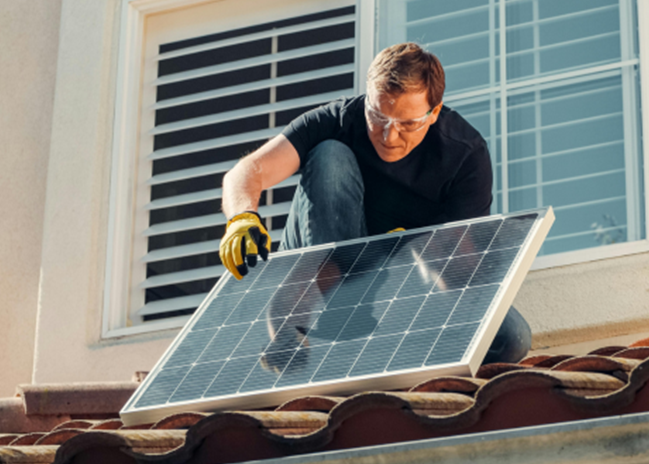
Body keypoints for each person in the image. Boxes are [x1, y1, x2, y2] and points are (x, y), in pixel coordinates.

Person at [219, 43, 531, 365]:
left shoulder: (464, 155)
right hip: (328, 267)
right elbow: (247, 171)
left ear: (434, 112)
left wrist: (414, 254)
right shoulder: (338, 119)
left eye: (407, 124)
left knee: (509, 339)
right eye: (378, 116)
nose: (389, 136)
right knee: (330, 154)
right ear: (367, 98)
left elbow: (464, 277)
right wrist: (241, 218)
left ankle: (373, 329)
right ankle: (322, 310)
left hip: (403, 285)